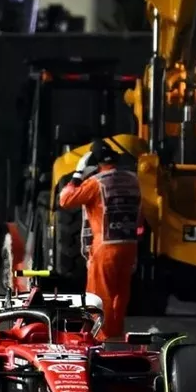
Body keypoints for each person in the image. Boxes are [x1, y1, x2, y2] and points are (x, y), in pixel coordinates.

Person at [57, 139, 142, 340]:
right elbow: (140, 218)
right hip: (129, 246)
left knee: (98, 297)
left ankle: (101, 339)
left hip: (105, 248)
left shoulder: (96, 183)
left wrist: (78, 175)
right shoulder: (133, 181)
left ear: (94, 164)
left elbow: (65, 200)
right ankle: (116, 336)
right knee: (120, 296)